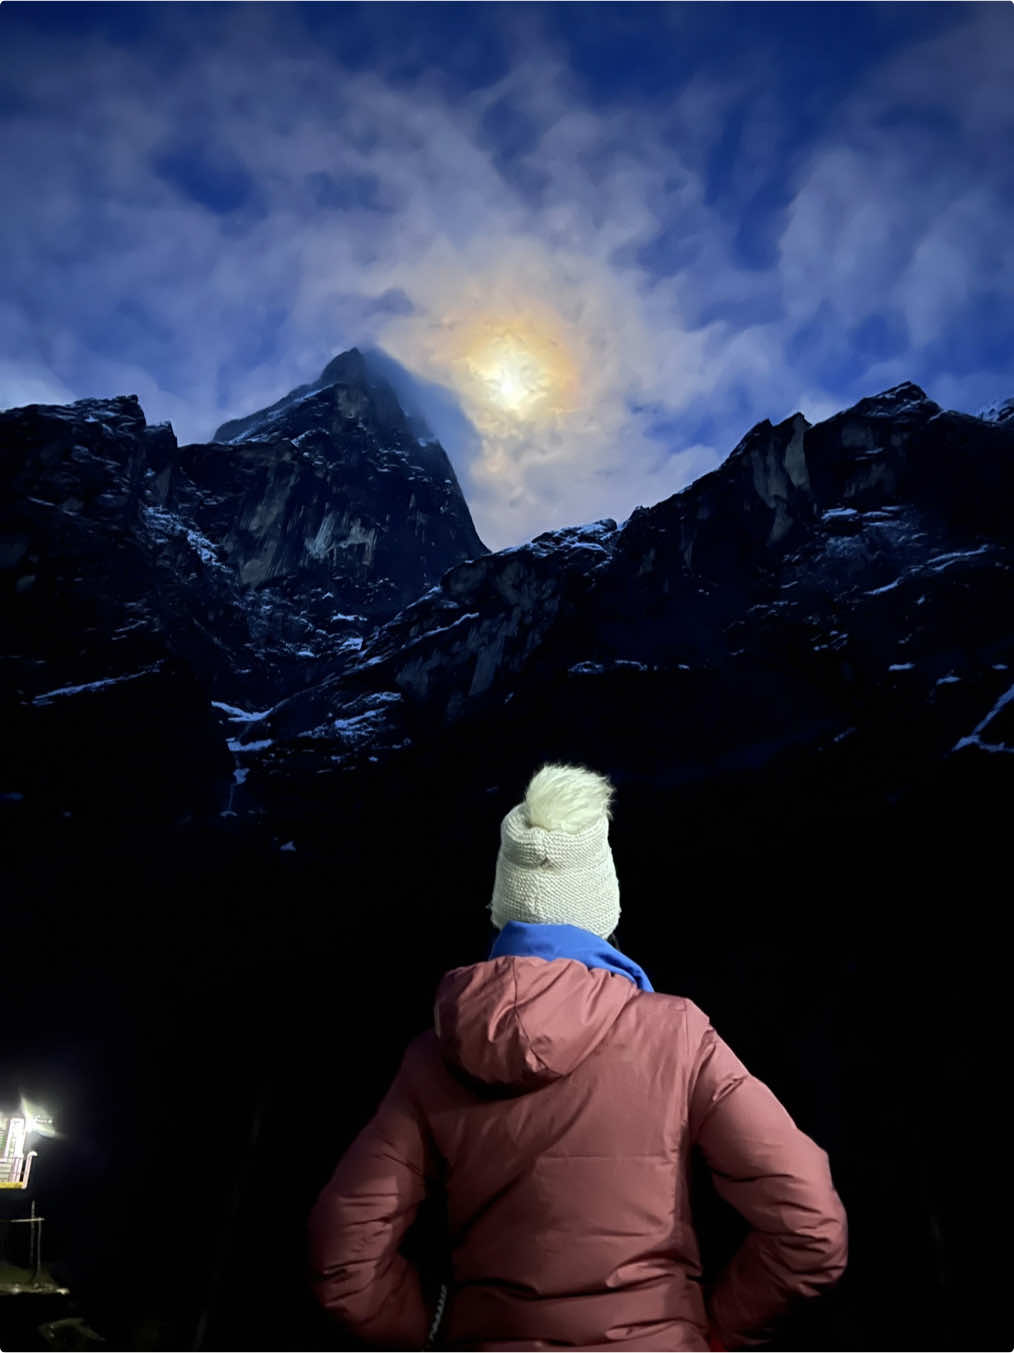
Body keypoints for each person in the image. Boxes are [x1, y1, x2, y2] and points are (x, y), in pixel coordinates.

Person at [308, 763, 848, 1351]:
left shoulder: (435, 1055)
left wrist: (435, 1328)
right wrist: (708, 1335)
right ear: (604, 906)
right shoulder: (679, 1036)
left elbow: (342, 1258)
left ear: (501, 906)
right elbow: (810, 1227)